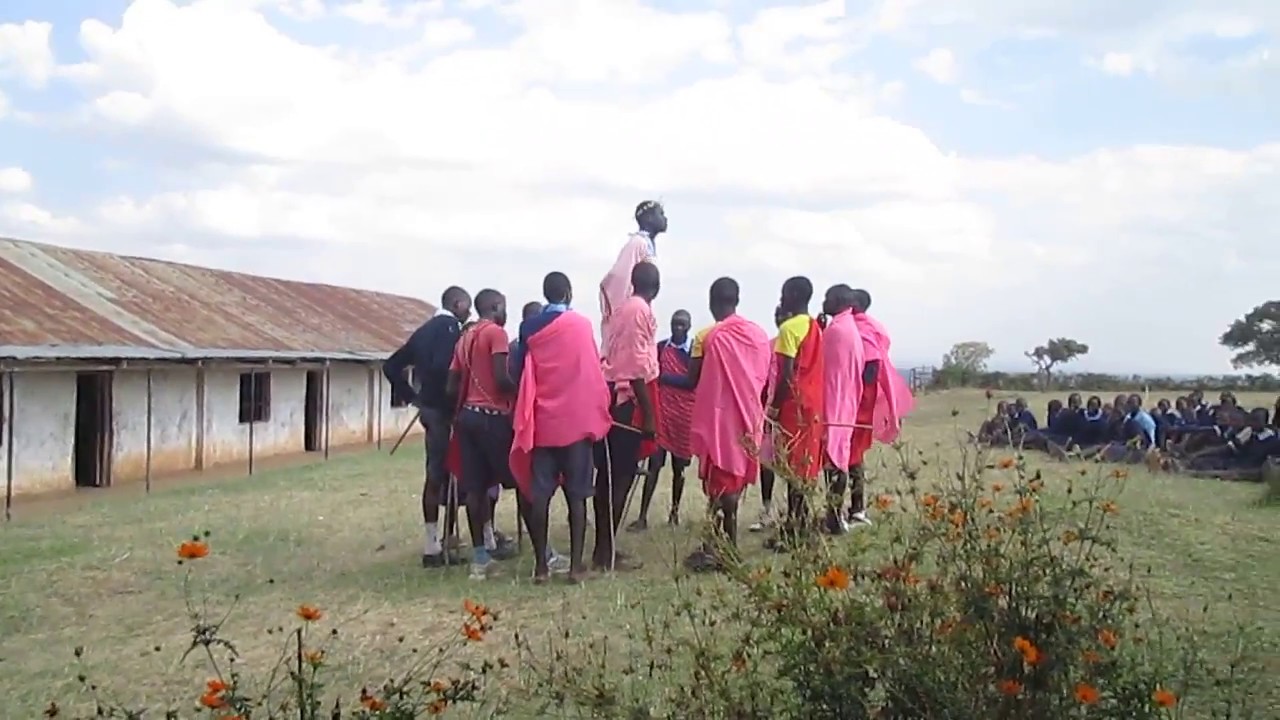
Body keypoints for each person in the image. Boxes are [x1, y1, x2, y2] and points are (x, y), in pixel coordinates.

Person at [508, 272, 612, 583]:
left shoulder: (529, 327)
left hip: (542, 423)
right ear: (567, 293)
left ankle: (541, 567)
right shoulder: (581, 325)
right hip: (576, 423)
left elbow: (520, 370)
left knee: (540, 495)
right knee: (577, 496)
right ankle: (576, 567)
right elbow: (592, 370)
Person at [684, 278, 772, 572]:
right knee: (721, 484)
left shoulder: (709, 337)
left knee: (724, 486)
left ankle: (730, 551)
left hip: (721, 419)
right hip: (748, 415)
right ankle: (714, 543)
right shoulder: (759, 335)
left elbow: (692, 379)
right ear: (737, 299)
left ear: (711, 302)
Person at [384, 286, 470, 568]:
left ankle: (434, 543)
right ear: (457, 304)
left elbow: (390, 367)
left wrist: (414, 398)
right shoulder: (450, 330)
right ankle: (442, 543)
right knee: (452, 474)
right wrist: (448, 400)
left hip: (430, 412)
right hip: (446, 413)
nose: (468, 312)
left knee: (435, 475)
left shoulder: (422, 331)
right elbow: (445, 368)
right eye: (466, 307)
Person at [446, 289, 520, 580]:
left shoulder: (464, 338)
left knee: (474, 489)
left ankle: (480, 559)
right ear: (495, 306)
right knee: (522, 483)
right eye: (504, 306)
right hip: (493, 419)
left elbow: (451, 387)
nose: (505, 312)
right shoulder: (496, 334)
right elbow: (502, 379)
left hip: (467, 418)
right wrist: (523, 393)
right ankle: (544, 555)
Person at [594, 262, 661, 571]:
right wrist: (648, 416)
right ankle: (605, 554)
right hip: (629, 402)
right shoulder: (638, 312)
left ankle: (603, 550)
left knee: (609, 479)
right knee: (618, 479)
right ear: (656, 287)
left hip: (617, 396)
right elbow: (635, 367)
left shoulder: (622, 309)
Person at [766, 276, 824, 551]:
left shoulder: (789, 329)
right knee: (805, 464)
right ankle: (797, 524)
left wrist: (774, 407)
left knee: (793, 467)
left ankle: (796, 529)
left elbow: (785, 374)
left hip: (794, 404)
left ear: (791, 295)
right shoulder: (815, 327)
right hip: (813, 403)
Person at [847, 288, 913, 525]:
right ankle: (854, 508)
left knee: (851, 455)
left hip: (858, 401)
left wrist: (854, 392)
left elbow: (872, 364)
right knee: (851, 455)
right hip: (854, 399)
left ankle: (856, 509)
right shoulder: (855, 326)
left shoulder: (863, 328)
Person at [632, 309, 695, 531]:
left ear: (688, 326)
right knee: (654, 464)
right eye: (675, 323)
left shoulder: (695, 351)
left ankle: (674, 513)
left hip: (683, 417)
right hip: (661, 415)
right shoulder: (660, 348)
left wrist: (664, 377)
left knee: (679, 469)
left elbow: (693, 382)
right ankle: (642, 516)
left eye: (682, 324)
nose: (678, 327)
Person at [818, 285, 865, 536]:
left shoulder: (837, 329)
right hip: (845, 401)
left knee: (835, 462)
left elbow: (822, 365)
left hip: (835, 402)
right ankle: (833, 515)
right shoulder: (847, 327)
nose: (823, 302)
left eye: (827, 298)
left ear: (837, 301)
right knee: (838, 459)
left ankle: (834, 518)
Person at [599, 200, 666, 345]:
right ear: (648, 218)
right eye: (660, 214)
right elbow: (618, 278)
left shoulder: (647, 244)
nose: (664, 218)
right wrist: (628, 311)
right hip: (632, 315)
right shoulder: (638, 243)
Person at [749, 305, 788, 533]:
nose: (779, 319)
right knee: (766, 465)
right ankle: (766, 511)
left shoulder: (795, 345)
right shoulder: (770, 346)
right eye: (777, 316)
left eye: (783, 316)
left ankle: (791, 513)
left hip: (790, 414)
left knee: (792, 466)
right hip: (768, 413)